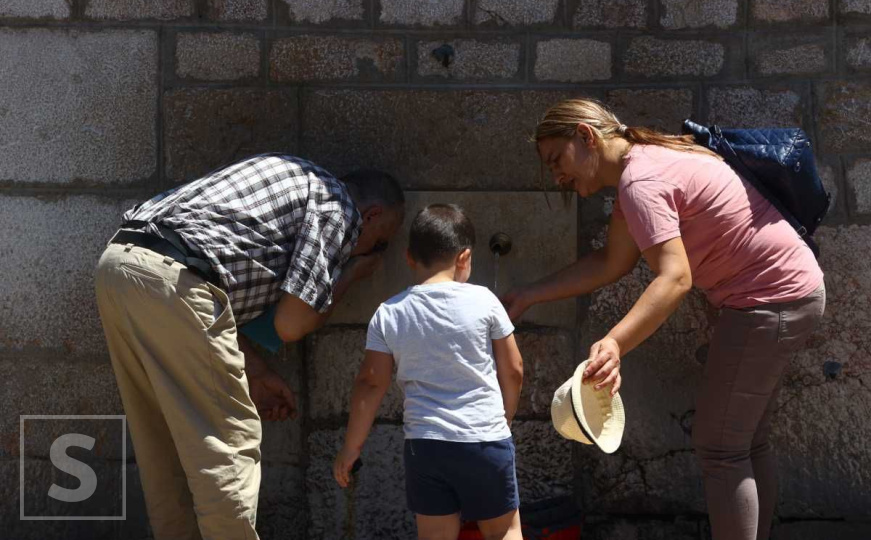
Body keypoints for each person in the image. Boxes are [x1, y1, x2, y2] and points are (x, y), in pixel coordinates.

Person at [502, 99, 825, 540]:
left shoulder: (641, 181)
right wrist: (529, 295)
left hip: (769, 300)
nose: (557, 176)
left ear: (586, 136)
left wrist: (615, 343)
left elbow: (675, 278)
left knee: (721, 447)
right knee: (743, 443)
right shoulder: (643, 166)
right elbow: (613, 262)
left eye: (556, 160)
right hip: (786, 293)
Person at [95, 153, 405, 540]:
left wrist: (255, 370)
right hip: (177, 279)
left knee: (165, 445)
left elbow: (208, 294)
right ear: (372, 216)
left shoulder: (294, 176)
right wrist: (353, 274)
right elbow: (292, 322)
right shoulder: (338, 204)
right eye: (379, 244)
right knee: (230, 441)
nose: (371, 251)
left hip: (119, 267)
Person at [333, 204, 525, 540]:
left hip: (427, 446)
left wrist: (352, 447)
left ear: (409, 258)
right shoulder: (485, 300)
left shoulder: (389, 313)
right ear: (465, 258)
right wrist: (504, 420)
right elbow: (514, 369)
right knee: (503, 531)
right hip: (485, 439)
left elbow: (370, 384)